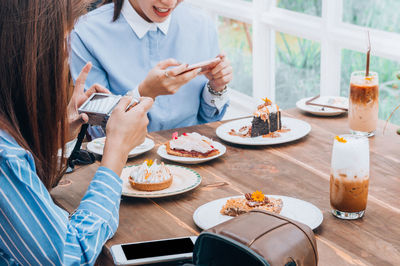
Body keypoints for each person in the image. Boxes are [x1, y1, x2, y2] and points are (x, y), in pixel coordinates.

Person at [0, 0, 153, 264]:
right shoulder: (5, 157)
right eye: (61, 49)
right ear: (27, 57)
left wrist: (57, 133)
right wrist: (116, 151)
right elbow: (67, 255)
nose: (64, 61)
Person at [69, 0, 233, 137]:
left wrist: (216, 87)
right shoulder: (87, 32)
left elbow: (207, 121)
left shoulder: (201, 24)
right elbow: (99, 133)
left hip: (195, 157)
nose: (170, 2)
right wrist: (144, 92)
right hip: (126, 164)